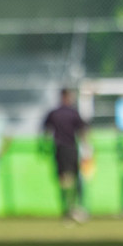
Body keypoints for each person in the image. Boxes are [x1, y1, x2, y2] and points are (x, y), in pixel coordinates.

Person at [43, 89, 89, 221]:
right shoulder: (73, 113)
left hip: (59, 149)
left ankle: (67, 208)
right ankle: (71, 208)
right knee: (72, 179)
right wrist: (86, 148)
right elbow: (83, 130)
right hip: (70, 148)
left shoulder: (54, 113)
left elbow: (46, 131)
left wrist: (45, 147)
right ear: (67, 97)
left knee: (63, 179)